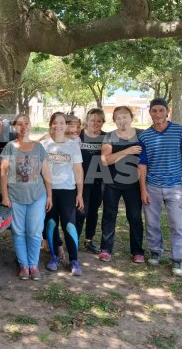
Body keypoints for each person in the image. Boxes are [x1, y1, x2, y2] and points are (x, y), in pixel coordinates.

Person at [138, 98, 182, 278]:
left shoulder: (179, 131)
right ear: (150, 113)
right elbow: (142, 165)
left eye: (161, 111)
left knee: (177, 224)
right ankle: (155, 251)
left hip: (175, 187)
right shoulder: (145, 136)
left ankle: (177, 259)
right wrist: (143, 189)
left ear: (167, 111)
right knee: (152, 223)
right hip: (152, 186)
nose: (157, 114)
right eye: (154, 111)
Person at [1, 114, 53, 281]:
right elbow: (3, 173)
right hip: (15, 197)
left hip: (37, 196)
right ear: (15, 127)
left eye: (27, 123)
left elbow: (45, 173)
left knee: (35, 232)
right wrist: (5, 196)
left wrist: (49, 195)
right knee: (18, 231)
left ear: (31, 125)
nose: (23, 127)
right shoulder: (10, 147)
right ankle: (23, 265)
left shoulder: (38, 148)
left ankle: (33, 264)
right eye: (19, 124)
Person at [40, 112, 85, 276]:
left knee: (69, 225)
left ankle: (74, 260)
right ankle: (54, 257)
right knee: (51, 223)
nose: (58, 126)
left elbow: (78, 169)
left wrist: (79, 193)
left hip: (68, 191)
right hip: (49, 191)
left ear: (66, 125)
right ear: (51, 124)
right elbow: (43, 170)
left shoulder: (73, 145)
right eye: (55, 123)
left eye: (61, 123)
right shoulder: (44, 144)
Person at [99, 106, 145, 263]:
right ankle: (105, 249)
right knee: (109, 215)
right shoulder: (110, 137)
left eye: (125, 117)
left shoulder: (142, 134)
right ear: (114, 120)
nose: (122, 121)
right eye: (118, 118)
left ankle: (137, 251)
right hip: (112, 182)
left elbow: (161, 137)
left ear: (132, 118)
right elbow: (106, 160)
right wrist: (128, 151)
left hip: (134, 183)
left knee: (135, 217)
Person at [79, 108, 107, 255]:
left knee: (93, 211)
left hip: (98, 180)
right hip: (81, 180)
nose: (95, 123)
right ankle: (74, 238)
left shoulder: (107, 137)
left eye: (99, 120)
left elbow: (131, 134)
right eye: (92, 120)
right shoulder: (78, 135)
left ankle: (89, 239)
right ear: (87, 121)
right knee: (81, 210)